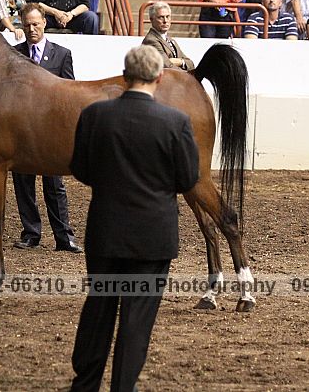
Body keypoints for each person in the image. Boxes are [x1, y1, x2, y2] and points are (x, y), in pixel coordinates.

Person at [69, 45, 199, 392]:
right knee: (136, 318)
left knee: (99, 306)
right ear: (160, 77)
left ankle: (85, 383)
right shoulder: (175, 122)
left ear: (125, 77)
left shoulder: (95, 115)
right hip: (152, 234)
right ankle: (124, 385)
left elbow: (80, 168)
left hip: (106, 228)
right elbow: (188, 179)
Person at [11, 4, 82, 253]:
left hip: (51, 132)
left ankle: (64, 236)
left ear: (44, 23)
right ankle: (31, 233)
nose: (32, 29)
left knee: (54, 184)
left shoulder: (62, 54)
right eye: (27, 25)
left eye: (35, 24)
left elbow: (69, 93)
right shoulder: (14, 54)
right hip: (22, 131)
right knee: (23, 183)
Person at [142, 2, 195, 70]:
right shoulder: (151, 40)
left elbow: (191, 64)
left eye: (167, 17)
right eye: (161, 17)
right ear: (151, 20)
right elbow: (167, 66)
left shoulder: (171, 40)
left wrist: (180, 62)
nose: (165, 21)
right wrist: (186, 74)